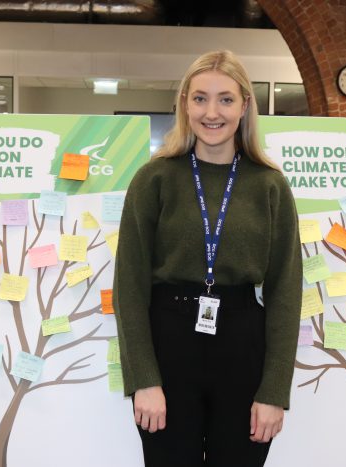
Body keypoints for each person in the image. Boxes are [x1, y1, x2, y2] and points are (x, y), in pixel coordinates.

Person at [112, 50, 302, 467]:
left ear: (245, 105)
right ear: (184, 103)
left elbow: (286, 294)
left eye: (225, 99)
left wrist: (274, 391)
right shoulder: (154, 179)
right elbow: (128, 287)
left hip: (242, 349)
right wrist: (143, 380)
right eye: (199, 98)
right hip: (169, 348)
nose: (211, 112)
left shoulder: (269, 185)